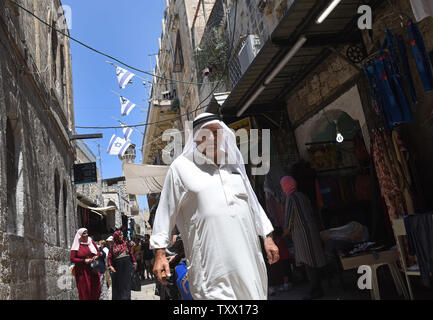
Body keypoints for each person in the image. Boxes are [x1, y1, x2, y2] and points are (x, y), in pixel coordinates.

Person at [151, 112, 279, 300]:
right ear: (196, 138)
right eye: (209, 132)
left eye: (218, 131)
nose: (215, 136)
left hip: (248, 261)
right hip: (211, 269)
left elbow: (252, 203)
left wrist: (267, 237)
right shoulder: (181, 168)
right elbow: (165, 212)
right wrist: (160, 253)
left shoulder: (234, 166)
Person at [280, 176, 327, 300]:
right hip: (312, 230)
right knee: (314, 259)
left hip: (302, 234)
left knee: (308, 262)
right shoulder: (302, 195)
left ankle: (315, 291)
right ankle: (318, 288)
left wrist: (285, 233)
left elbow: (289, 219)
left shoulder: (291, 198)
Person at [70, 228, 101, 300]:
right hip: (82, 273)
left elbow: (98, 251)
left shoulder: (91, 242)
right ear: (80, 235)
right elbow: (72, 259)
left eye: (87, 233)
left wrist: (96, 256)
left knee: (96, 290)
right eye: (84, 233)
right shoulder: (77, 244)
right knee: (85, 291)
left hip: (93, 270)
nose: (86, 235)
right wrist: (84, 261)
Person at [108, 230, 137, 300]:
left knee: (127, 283)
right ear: (116, 236)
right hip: (117, 267)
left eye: (122, 235)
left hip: (126, 266)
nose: (122, 236)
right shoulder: (112, 247)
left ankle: (127, 297)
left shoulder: (126, 244)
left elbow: (131, 254)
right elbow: (109, 257)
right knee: (119, 284)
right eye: (120, 235)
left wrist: (135, 262)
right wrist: (110, 266)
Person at [268, 227, 292, 295]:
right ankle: (288, 283)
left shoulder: (278, 241)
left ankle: (286, 284)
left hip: (283, 258)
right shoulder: (282, 240)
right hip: (286, 257)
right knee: (287, 270)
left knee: (284, 272)